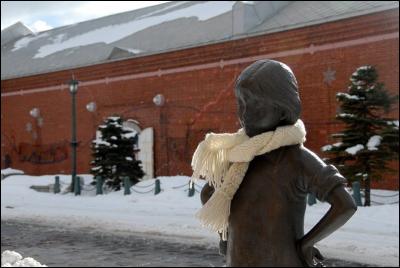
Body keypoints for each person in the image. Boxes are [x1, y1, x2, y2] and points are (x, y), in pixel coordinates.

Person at [195, 59, 357, 267]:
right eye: (241, 103)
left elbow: (345, 205)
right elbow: (209, 193)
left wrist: (306, 245)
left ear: (283, 109)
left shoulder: (296, 159)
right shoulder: (241, 156)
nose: (244, 113)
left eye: (255, 104)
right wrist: (225, 237)